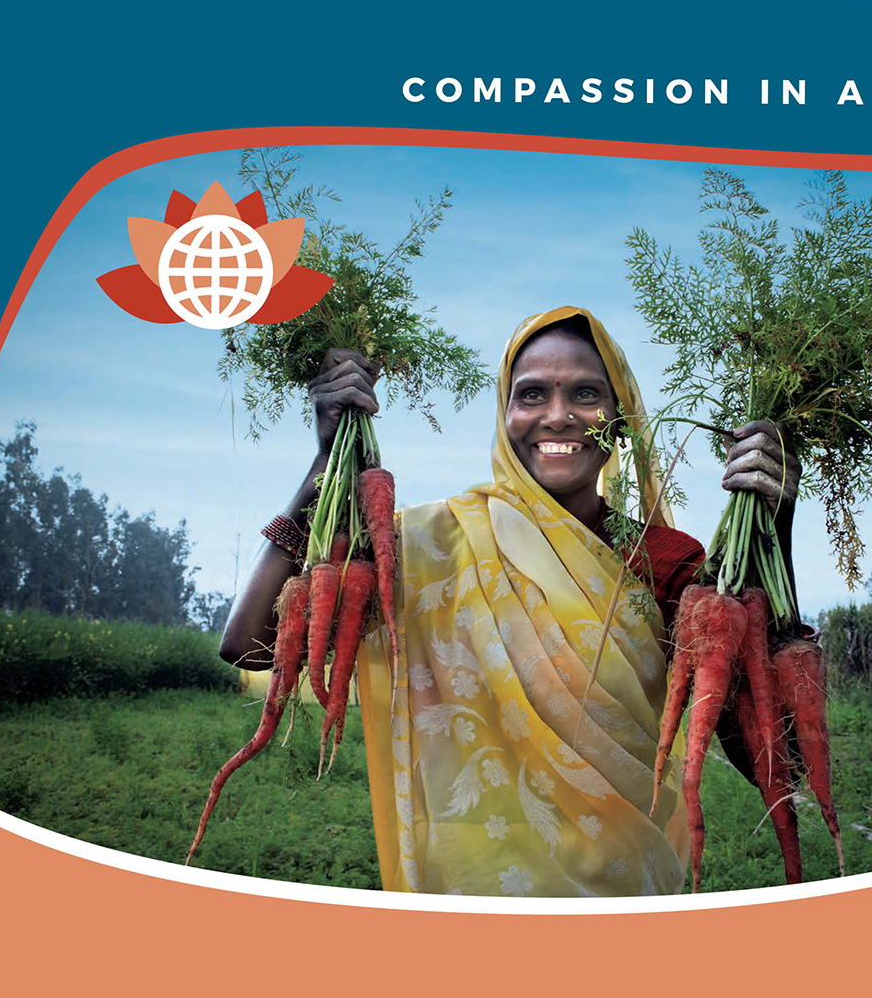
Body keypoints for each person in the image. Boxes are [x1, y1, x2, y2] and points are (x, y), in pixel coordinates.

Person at [221, 306, 800, 897]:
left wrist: (775, 527)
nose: (558, 416)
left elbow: (776, 762)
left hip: (616, 897)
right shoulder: (430, 545)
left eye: (586, 394)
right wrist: (324, 465)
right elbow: (247, 646)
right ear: (504, 416)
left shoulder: (665, 559)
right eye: (531, 395)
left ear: (620, 419)